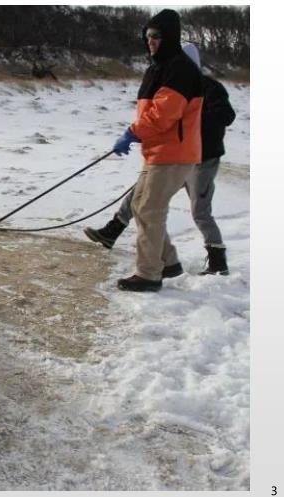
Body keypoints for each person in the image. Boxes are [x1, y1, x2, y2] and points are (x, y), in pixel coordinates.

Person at [84, 41, 236, 277]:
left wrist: (191, 120)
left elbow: (226, 115)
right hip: (173, 155)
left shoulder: (210, 87)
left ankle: (217, 261)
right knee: (141, 195)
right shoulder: (169, 85)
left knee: (200, 211)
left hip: (202, 160)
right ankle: (112, 231)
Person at [103, 9, 204, 292]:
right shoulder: (160, 66)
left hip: (174, 154)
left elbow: (163, 115)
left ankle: (148, 274)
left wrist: (132, 133)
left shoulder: (179, 69)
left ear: (169, 38)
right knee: (139, 206)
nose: (151, 41)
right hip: (159, 151)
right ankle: (168, 262)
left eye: (157, 36)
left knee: (149, 209)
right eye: (148, 36)